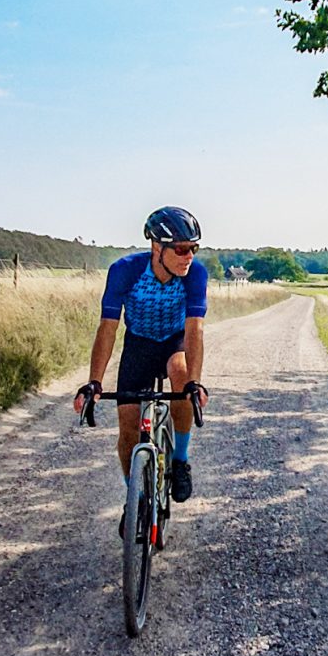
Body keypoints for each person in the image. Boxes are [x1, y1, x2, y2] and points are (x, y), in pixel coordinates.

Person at [74, 206, 209, 534]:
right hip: (138, 344)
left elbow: (194, 331)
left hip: (174, 341)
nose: (188, 256)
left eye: (193, 248)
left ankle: (180, 461)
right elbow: (108, 327)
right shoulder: (125, 271)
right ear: (156, 247)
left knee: (180, 373)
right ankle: (135, 497)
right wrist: (94, 381)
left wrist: (194, 383)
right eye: (180, 249)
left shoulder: (195, 275)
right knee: (128, 427)